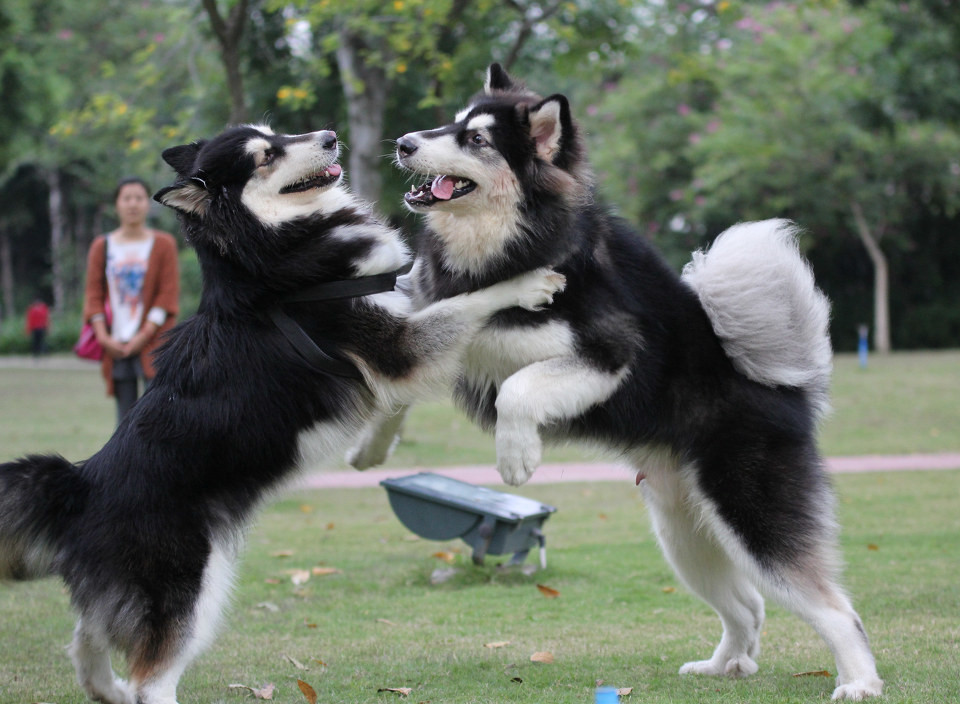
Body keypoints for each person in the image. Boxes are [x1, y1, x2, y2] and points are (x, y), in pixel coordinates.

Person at [82, 177, 180, 423]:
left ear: (147, 204)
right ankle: (121, 463)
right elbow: (93, 295)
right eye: (126, 198)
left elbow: (166, 296)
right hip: (114, 342)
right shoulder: (102, 246)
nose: (132, 204)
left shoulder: (163, 244)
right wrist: (103, 337)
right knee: (123, 419)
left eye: (138, 198)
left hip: (153, 340)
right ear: (117, 204)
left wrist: (143, 335)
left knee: (155, 416)